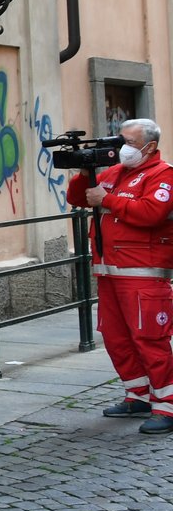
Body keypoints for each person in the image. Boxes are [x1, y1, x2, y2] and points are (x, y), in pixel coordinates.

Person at [66, 118, 173, 434]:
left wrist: (107, 200)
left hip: (143, 273)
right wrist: (86, 173)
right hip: (109, 271)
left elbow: (152, 213)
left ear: (149, 146)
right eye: (119, 141)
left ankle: (167, 407)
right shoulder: (114, 173)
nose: (120, 148)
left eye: (127, 142)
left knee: (150, 340)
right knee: (116, 337)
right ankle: (137, 394)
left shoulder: (163, 175)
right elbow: (78, 197)